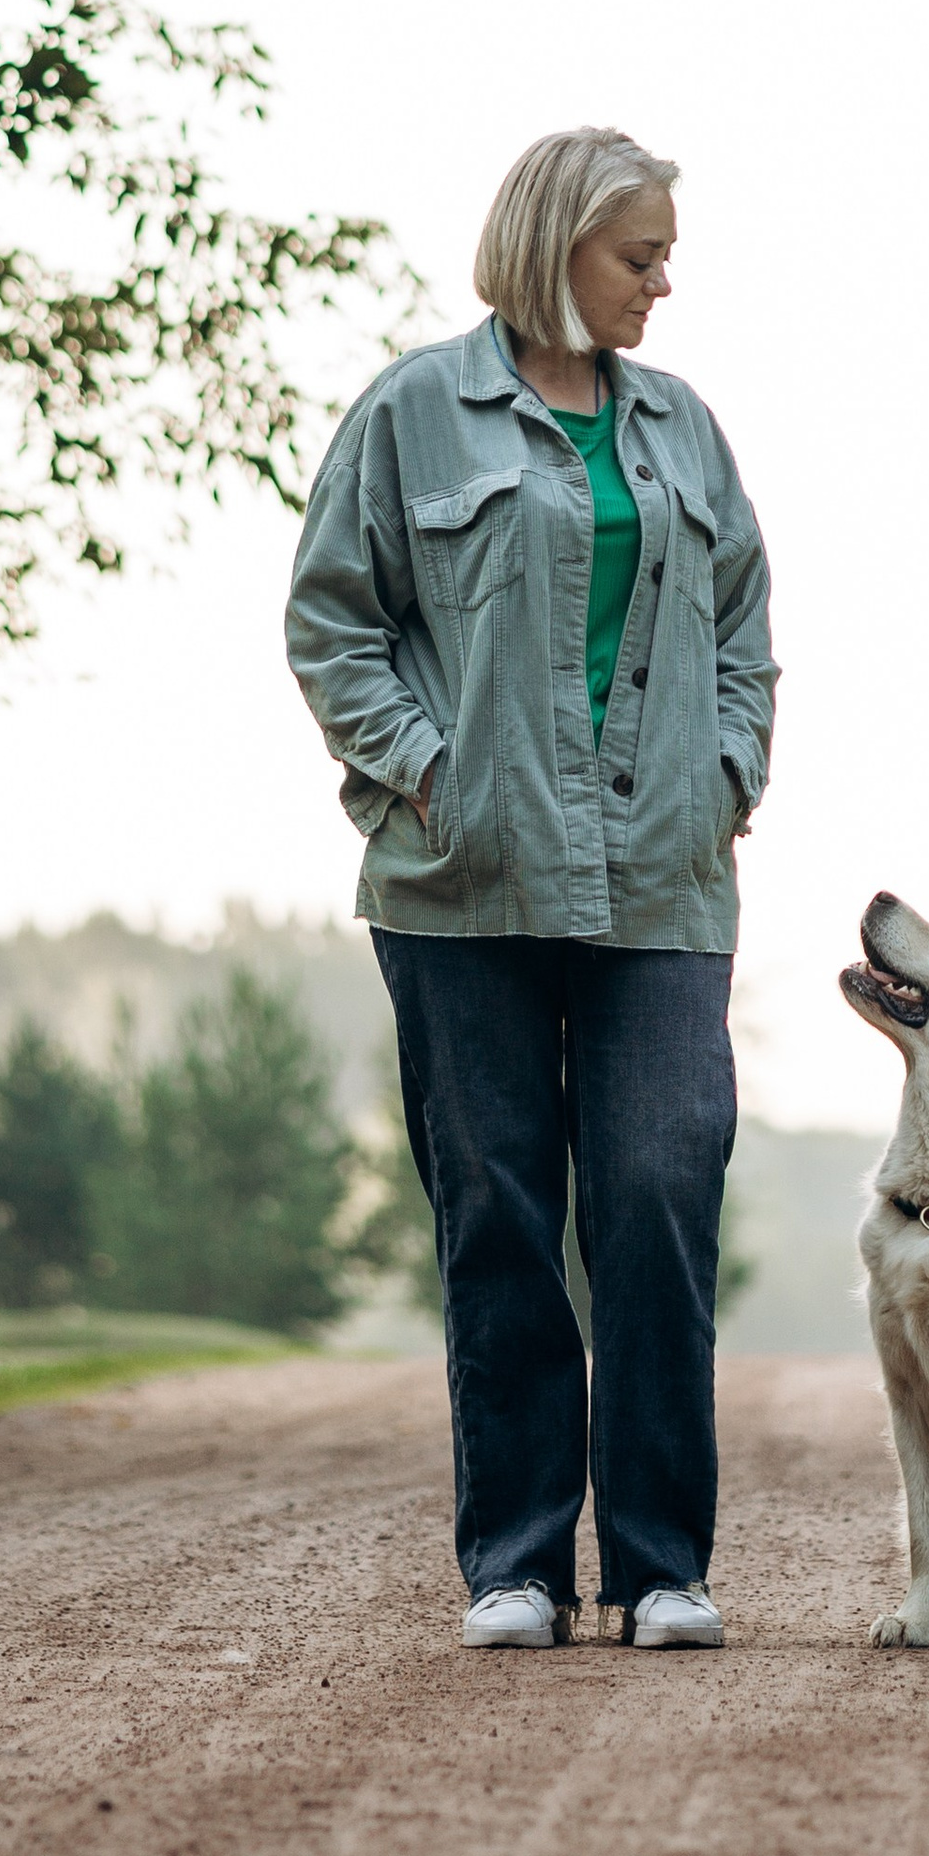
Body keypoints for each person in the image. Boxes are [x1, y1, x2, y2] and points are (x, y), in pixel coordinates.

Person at [286, 127, 775, 1652]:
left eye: (664, 253)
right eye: (640, 255)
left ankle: (660, 1567)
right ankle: (513, 1566)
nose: (664, 281)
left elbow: (746, 623)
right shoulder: (412, 415)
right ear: (556, 246)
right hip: (461, 884)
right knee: (497, 1210)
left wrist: (731, 769)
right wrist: (428, 769)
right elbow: (332, 624)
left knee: (652, 1195)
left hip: (661, 889)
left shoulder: (686, 429)